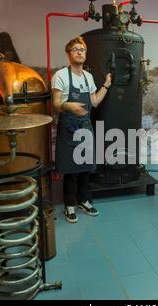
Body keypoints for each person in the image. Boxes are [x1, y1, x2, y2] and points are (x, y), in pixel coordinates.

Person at [51, 36, 112, 224]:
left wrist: (106, 85)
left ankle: (83, 201)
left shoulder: (88, 77)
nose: (79, 52)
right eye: (75, 49)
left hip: (85, 126)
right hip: (69, 128)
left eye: (82, 49)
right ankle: (69, 204)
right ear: (69, 54)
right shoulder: (60, 75)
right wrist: (69, 106)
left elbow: (93, 102)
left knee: (86, 168)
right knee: (71, 169)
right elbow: (55, 104)